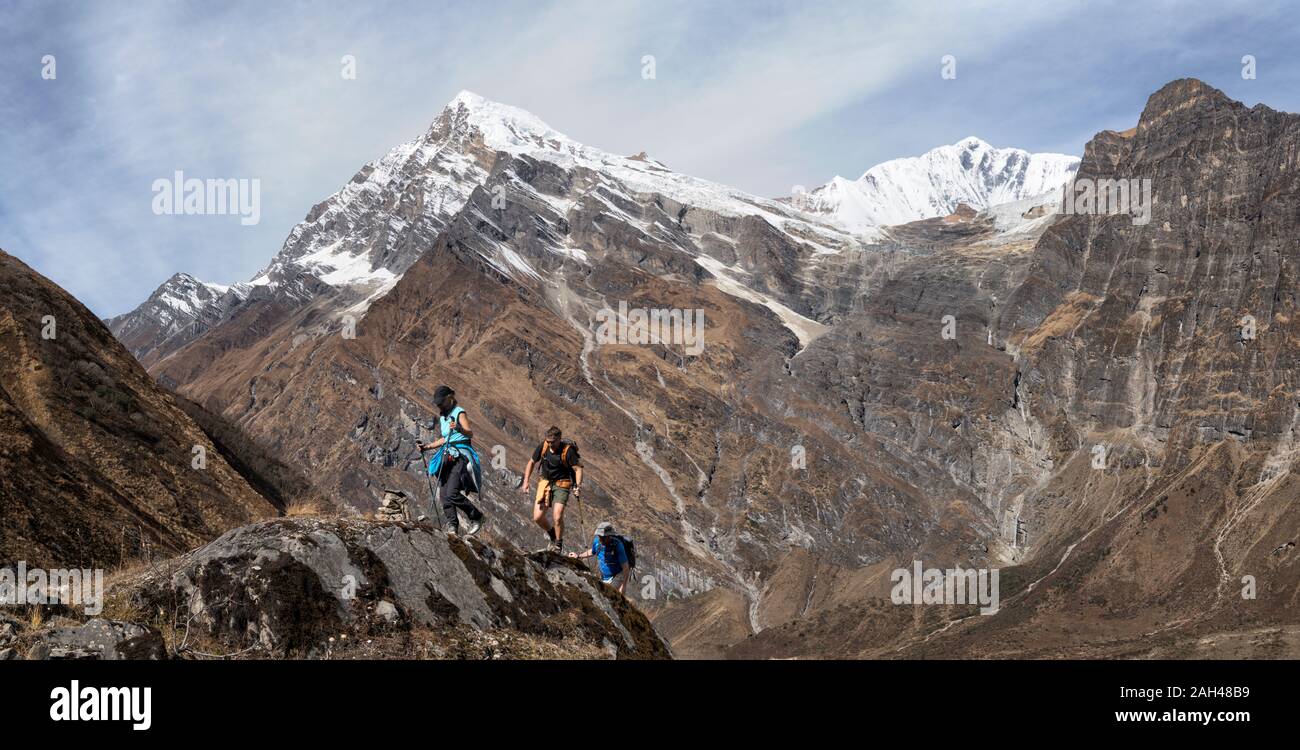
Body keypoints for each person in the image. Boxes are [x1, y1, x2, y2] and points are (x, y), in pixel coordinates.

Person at [417, 385, 485, 535]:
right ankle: (452, 527)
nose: (439, 405)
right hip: (446, 454)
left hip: (460, 455)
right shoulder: (443, 417)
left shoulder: (459, 412)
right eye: (438, 403)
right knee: (443, 495)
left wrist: (458, 428)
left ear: (450, 397)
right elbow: (445, 438)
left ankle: (477, 516)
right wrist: (427, 447)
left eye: (441, 402)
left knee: (452, 493)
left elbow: (470, 433)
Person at [519, 426, 583, 552]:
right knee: (537, 517)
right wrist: (526, 481)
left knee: (557, 516)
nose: (550, 444)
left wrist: (578, 486)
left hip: (562, 484)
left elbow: (578, 469)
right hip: (545, 482)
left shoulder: (568, 451)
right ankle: (553, 535)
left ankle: (558, 545)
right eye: (548, 441)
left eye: (552, 442)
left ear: (559, 439)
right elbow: (531, 462)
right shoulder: (543, 446)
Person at [570, 522, 630, 593]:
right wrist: (578, 556)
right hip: (604, 577)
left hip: (617, 576)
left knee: (608, 594)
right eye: (599, 536)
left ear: (609, 536)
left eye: (603, 537)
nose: (601, 539)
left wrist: (623, 585)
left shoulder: (618, 546)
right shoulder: (597, 542)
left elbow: (625, 567)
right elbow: (592, 551)